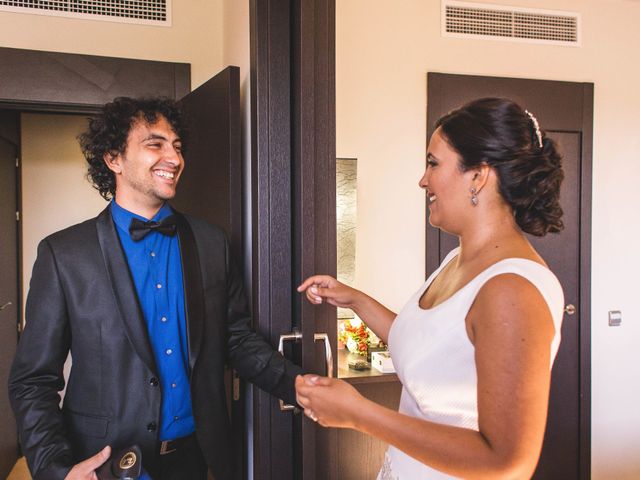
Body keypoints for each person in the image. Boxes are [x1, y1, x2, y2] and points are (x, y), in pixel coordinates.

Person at [8, 97, 303, 480]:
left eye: (177, 146)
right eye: (155, 144)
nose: (174, 157)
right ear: (113, 158)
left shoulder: (212, 242)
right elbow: (33, 380)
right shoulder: (63, 255)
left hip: (196, 458)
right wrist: (56, 469)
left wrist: (301, 385)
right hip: (103, 463)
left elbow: (236, 339)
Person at [296, 97, 565, 479]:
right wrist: (354, 299)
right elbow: (430, 348)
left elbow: (508, 461)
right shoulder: (456, 261)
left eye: (434, 163)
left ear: (478, 176)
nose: (423, 180)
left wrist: (360, 414)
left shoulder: (511, 289)